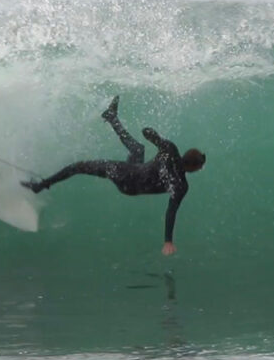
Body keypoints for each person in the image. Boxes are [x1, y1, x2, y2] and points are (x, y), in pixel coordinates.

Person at [22, 96, 205, 255]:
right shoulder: (180, 185)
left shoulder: (170, 150)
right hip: (130, 187)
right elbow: (171, 211)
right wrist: (168, 241)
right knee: (137, 150)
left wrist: (154, 136)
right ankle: (111, 117)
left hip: (124, 174)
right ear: (195, 168)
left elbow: (146, 132)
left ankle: (41, 185)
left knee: (78, 167)